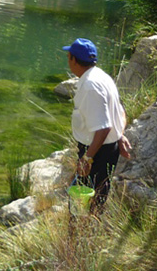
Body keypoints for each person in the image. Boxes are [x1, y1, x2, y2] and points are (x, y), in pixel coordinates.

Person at [63, 38, 131, 211]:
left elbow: (103, 128)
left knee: (81, 203)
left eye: (68, 56)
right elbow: (120, 112)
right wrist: (120, 135)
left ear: (73, 59)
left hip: (96, 151)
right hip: (107, 148)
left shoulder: (90, 86)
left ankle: (80, 234)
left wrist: (87, 158)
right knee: (99, 196)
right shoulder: (102, 76)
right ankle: (91, 228)